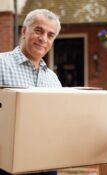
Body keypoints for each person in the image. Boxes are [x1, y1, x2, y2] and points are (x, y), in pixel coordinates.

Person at [0, 9, 62, 175]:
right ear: (24, 31)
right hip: (6, 164)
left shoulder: (53, 79)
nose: (43, 39)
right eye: (38, 31)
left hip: (46, 163)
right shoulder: (1, 64)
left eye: (50, 35)